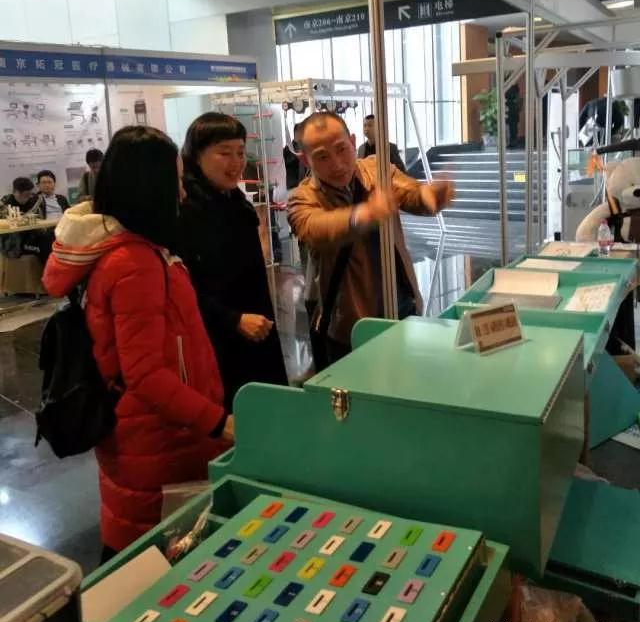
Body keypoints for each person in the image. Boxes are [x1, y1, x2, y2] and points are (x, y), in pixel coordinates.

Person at [43, 126, 233, 558]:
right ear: (150, 188)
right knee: (151, 560)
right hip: (160, 439)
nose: (182, 193)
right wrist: (217, 422)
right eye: (175, 182)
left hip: (149, 434)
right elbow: (144, 374)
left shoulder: (124, 250)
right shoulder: (134, 263)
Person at [288, 112, 454, 365]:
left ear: (353, 142)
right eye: (322, 157)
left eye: (341, 149)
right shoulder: (302, 197)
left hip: (401, 306)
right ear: (305, 159)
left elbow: (410, 192)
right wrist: (363, 215)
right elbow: (314, 228)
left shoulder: (377, 169)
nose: (337, 164)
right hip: (350, 323)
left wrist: (430, 196)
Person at [179, 113, 288, 407]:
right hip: (218, 340)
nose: (236, 162)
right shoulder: (188, 211)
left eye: (240, 152)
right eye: (224, 153)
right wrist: (232, 320)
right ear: (196, 155)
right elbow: (185, 288)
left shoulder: (234, 201)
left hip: (257, 327)